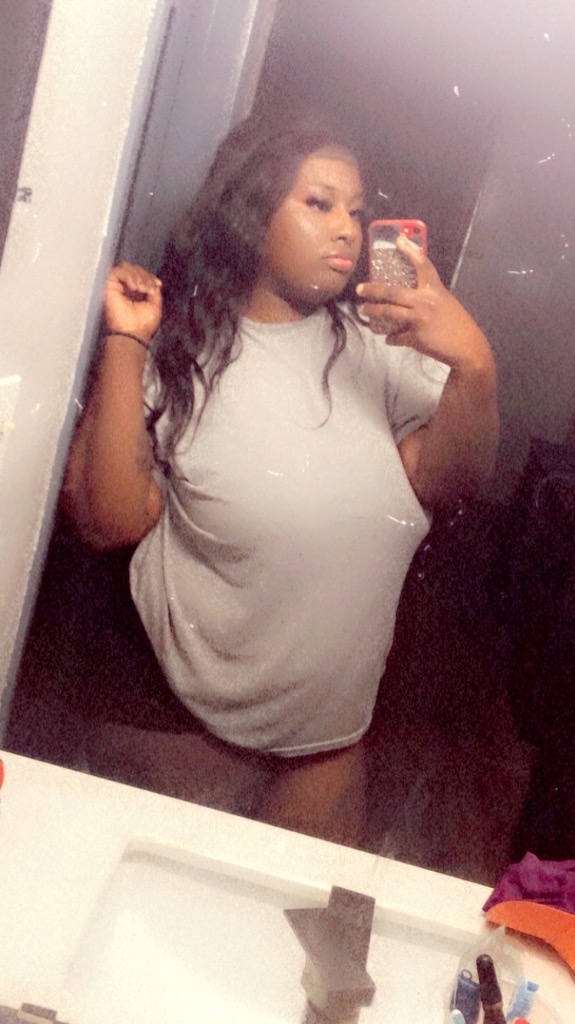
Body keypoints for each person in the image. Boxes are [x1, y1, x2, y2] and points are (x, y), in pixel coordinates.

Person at [62, 111, 499, 846]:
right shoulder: (184, 353)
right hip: (179, 731)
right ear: (251, 213)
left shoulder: (380, 349)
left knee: (295, 925)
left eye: (356, 211)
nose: (347, 230)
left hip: (327, 750)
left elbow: (443, 481)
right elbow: (108, 520)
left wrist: (474, 365)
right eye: (318, 204)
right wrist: (127, 339)